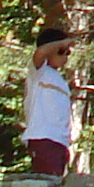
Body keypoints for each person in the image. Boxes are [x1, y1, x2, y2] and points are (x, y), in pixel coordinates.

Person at [23, 27, 79, 176]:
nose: (65, 57)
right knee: (47, 183)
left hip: (60, 141)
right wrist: (62, 43)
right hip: (43, 137)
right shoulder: (38, 72)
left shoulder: (60, 80)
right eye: (61, 52)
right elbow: (40, 53)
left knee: (56, 184)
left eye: (68, 53)